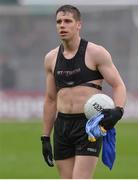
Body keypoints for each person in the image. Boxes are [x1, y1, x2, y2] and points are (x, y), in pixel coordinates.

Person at [41, 5, 126, 179]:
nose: (62, 25)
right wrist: (45, 137)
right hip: (62, 127)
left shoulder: (96, 53)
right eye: (58, 22)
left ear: (78, 24)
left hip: (88, 126)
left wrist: (118, 110)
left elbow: (118, 85)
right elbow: (50, 99)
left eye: (67, 21)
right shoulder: (51, 58)